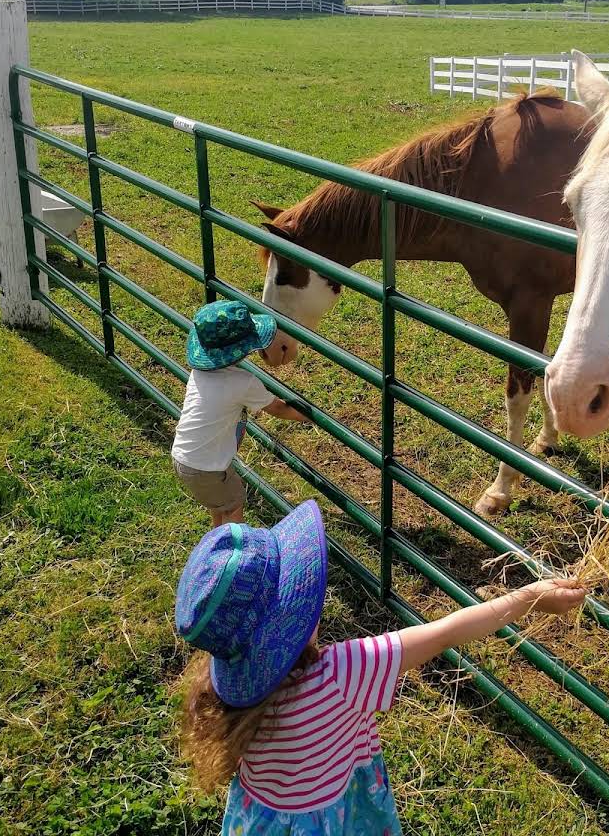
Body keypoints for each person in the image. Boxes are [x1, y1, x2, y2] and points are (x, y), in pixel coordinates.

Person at [176, 500, 587, 835]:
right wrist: (529, 597)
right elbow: (445, 633)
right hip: (336, 818)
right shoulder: (342, 672)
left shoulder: (222, 691)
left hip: (264, 822)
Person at [172, 300, 309, 527]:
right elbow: (277, 409)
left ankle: (216, 546)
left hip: (184, 458)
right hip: (207, 467)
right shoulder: (243, 382)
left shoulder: (199, 373)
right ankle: (234, 554)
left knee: (219, 506)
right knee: (234, 504)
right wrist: (307, 415)